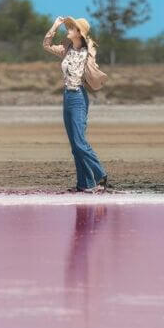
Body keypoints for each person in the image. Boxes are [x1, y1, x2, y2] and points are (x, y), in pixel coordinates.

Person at [43, 16, 108, 194]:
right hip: (67, 96)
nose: (68, 30)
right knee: (74, 146)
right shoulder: (66, 49)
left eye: (72, 28)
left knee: (79, 142)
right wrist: (55, 25)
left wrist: (89, 46)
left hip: (79, 96)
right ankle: (85, 184)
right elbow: (46, 45)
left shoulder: (88, 51)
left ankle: (100, 173)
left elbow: (92, 63)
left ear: (79, 32)